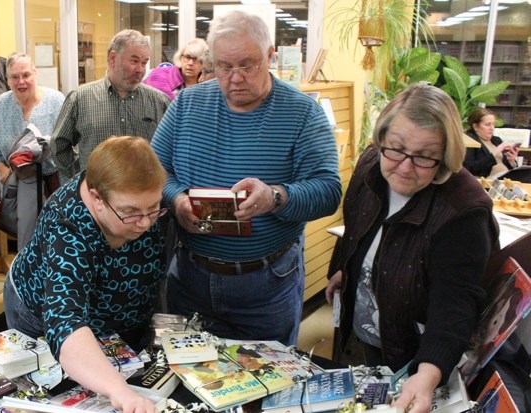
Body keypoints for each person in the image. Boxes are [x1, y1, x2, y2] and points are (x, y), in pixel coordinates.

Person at [151, 9, 341, 345]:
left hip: (267, 284)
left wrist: (275, 197)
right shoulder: (185, 106)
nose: (235, 77)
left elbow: (328, 192)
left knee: (270, 386)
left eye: (247, 65)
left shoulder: (303, 113)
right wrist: (177, 199)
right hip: (190, 277)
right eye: (224, 66)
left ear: (270, 56)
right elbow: (152, 172)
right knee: (187, 380)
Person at [324, 83, 500, 413]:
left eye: (424, 156)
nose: (404, 167)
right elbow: (356, 225)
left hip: (414, 351)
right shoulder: (372, 164)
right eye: (396, 148)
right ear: (382, 139)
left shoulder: (463, 211)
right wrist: (344, 267)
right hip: (365, 333)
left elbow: (455, 304)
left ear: (446, 154)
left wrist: (428, 372)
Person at [3, 136, 168, 413]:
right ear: (96, 198)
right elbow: (64, 321)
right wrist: (119, 391)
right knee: (51, 391)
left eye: (153, 209)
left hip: (116, 321)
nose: (144, 223)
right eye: (130, 213)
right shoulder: (66, 224)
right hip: (41, 314)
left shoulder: (128, 194)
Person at [52, 29, 170, 183]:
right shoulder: (80, 99)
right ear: (112, 58)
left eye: (144, 62)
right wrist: (81, 176)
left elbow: (172, 150)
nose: (140, 69)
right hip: (96, 197)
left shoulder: (159, 102)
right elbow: (59, 144)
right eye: (134, 61)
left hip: (143, 197)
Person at [0, 52, 65, 250]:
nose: (21, 81)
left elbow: (69, 141)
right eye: (14, 77)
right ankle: (25, 276)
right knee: (26, 242)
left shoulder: (55, 101)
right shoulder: (1, 104)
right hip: (16, 183)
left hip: (53, 183)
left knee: (55, 239)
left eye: (26, 75)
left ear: (35, 74)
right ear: (7, 79)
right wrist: (0, 167)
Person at [142, 38, 208, 100]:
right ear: (180, 58)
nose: (190, 63)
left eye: (195, 59)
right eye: (187, 57)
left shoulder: (207, 82)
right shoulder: (159, 75)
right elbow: (167, 106)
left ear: (204, 62)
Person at [463, 108, 519, 177]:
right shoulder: (471, 141)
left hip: (507, 179)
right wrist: (494, 153)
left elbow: (510, 167)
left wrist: (511, 160)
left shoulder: (497, 140)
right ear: (475, 126)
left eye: (493, 124)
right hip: (488, 182)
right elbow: (469, 169)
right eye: (488, 124)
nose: (492, 128)